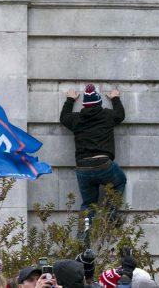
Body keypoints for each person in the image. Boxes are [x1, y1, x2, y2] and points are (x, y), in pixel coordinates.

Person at [60, 83, 127, 236]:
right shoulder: (107, 115)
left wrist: (70, 100)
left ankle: (83, 241)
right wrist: (115, 98)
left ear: (84, 104)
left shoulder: (76, 119)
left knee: (88, 205)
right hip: (103, 164)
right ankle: (110, 216)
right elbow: (120, 115)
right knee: (120, 181)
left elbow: (64, 118)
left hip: (83, 167)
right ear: (99, 102)